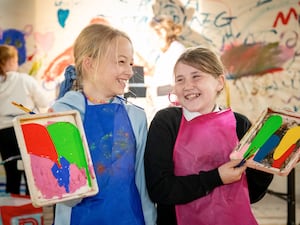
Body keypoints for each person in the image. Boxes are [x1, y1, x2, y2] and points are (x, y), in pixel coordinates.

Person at [144, 47, 274, 225]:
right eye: (180, 79)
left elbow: (251, 194)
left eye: (196, 76)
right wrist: (217, 177)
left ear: (219, 82)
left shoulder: (240, 124)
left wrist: (267, 165)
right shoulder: (167, 122)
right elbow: (160, 189)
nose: (187, 86)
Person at [51, 23, 156, 225]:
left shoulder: (136, 116)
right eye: (121, 62)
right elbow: (67, 195)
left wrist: (151, 220)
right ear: (89, 64)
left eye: (131, 64)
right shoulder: (63, 114)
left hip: (131, 219)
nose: (129, 71)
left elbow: (142, 183)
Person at [0, 44, 49, 194]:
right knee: (31, 174)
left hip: (4, 133)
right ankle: (31, 212)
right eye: (15, 61)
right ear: (8, 62)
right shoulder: (25, 79)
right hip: (26, 130)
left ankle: (13, 214)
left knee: (12, 175)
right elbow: (44, 102)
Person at [146, 15, 186, 122]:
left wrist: (151, 85)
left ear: (162, 33)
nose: (150, 41)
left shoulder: (177, 52)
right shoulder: (166, 53)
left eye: (151, 36)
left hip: (173, 113)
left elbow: (178, 86)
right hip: (166, 112)